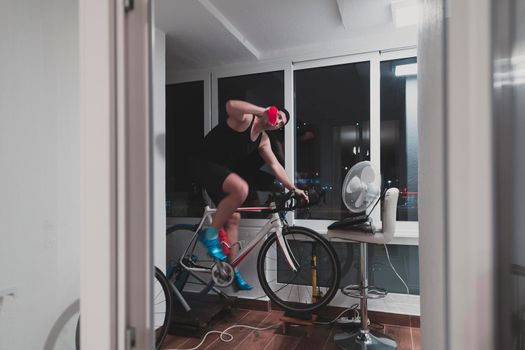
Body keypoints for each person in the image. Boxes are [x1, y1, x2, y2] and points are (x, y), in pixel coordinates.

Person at [189, 100, 309, 290]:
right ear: (272, 110)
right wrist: (263, 111)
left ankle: (231, 269)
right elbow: (230, 105)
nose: (277, 122)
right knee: (241, 189)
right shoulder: (245, 120)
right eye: (278, 116)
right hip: (202, 163)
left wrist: (294, 188)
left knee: (234, 217)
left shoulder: (263, 139)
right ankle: (209, 234)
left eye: (281, 123)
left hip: (218, 173)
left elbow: (275, 166)